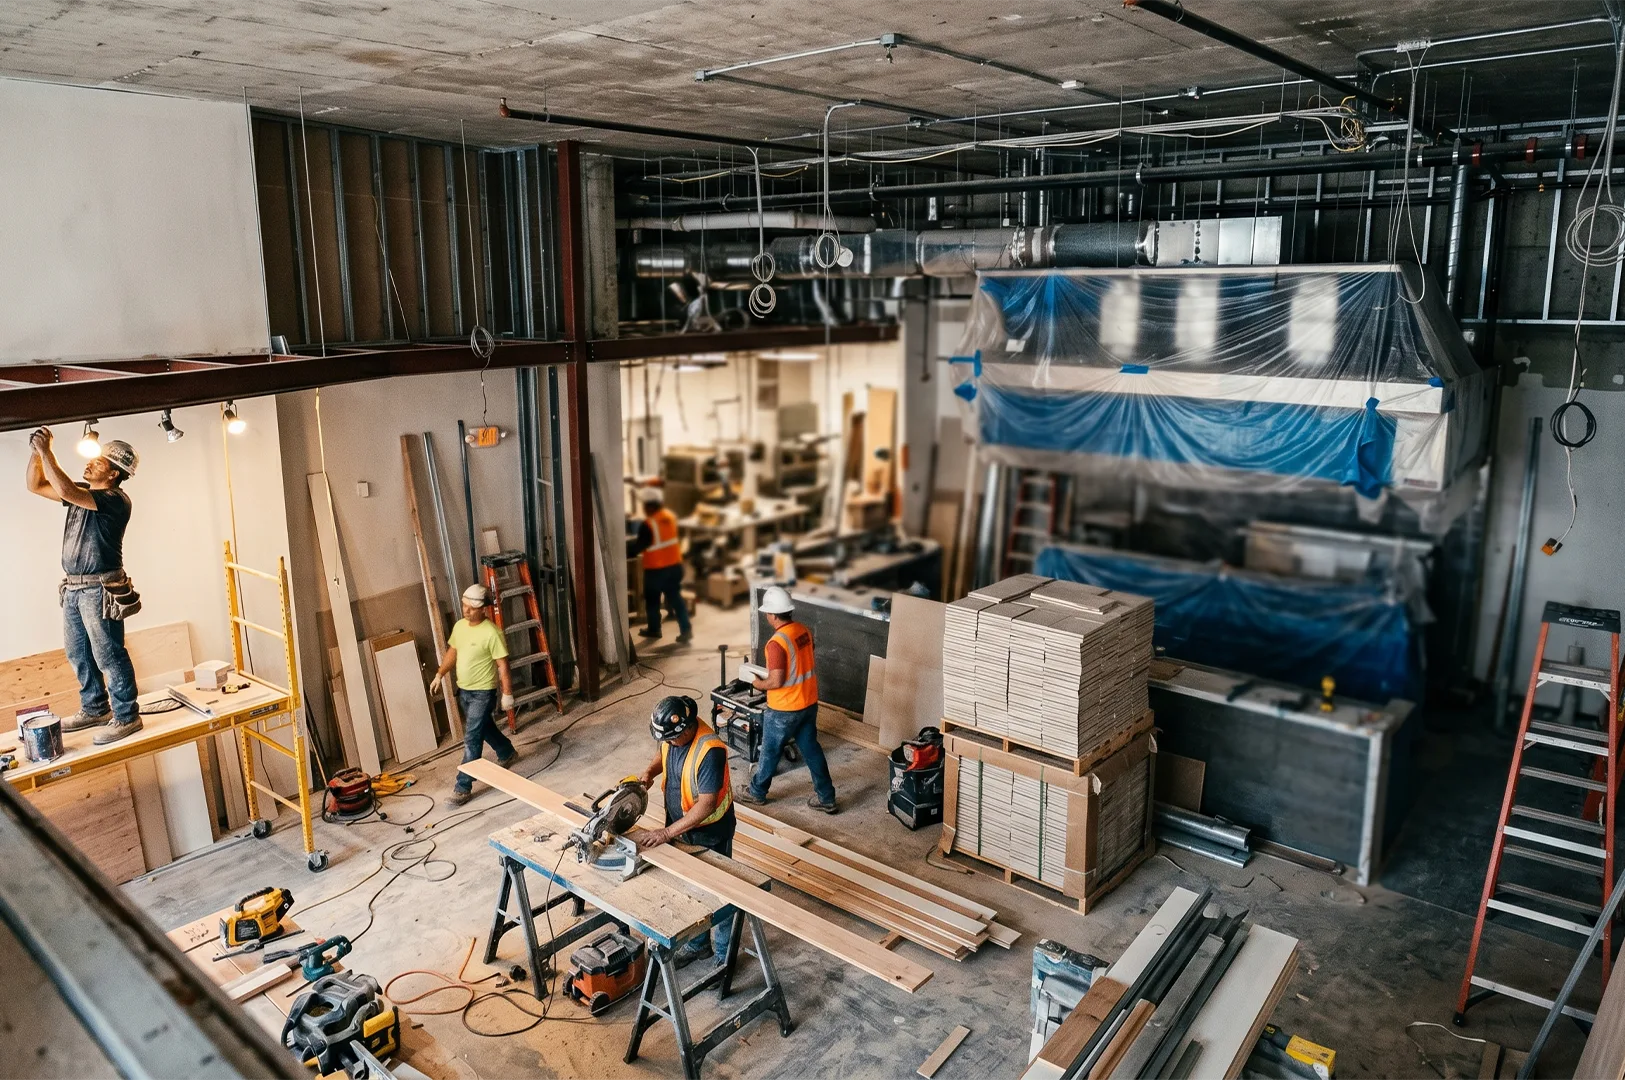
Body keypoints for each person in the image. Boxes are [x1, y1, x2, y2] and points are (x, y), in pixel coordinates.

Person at [25, 427, 144, 745]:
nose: (90, 464)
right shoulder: (81, 494)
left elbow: (63, 487)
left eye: (100, 463)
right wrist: (37, 454)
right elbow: (35, 484)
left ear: (115, 473)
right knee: (77, 652)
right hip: (75, 588)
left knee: (108, 653)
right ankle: (95, 708)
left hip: (100, 588)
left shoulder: (115, 500)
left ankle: (127, 716)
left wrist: (47, 451)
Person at [636, 695, 737, 968]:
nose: (667, 743)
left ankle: (725, 956)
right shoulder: (672, 738)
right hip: (682, 828)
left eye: (671, 738)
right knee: (692, 890)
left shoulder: (710, 751)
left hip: (711, 833)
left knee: (721, 895)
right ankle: (698, 945)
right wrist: (648, 773)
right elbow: (663, 755)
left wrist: (667, 833)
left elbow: (705, 805)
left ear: (688, 728)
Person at [734, 586, 837, 813]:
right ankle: (827, 797)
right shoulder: (803, 631)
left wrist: (757, 683)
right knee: (811, 750)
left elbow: (776, 680)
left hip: (784, 710)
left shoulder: (776, 643)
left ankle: (757, 792)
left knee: (769, 752)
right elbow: (799, 663)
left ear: (771, 615)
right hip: (808, 703)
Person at [431, 584, 518, 805]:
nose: (466, 611)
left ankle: (463, 786)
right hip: (465, 692)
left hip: (483, 693)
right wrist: (440, 674)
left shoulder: (492, 633)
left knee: (472, 738)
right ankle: (506, 751)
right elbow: (453, 652)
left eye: (471, 608)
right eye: (464, 606)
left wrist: (507, 694)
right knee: (483, 727)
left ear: (483, 609)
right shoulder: (460, 627)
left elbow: (503, 666)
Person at [627, 488, 691, 645]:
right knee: (675, 598)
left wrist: (624, 550)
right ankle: (686, 629)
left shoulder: (648, 524)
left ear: (650, 506)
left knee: (653, 601)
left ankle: (655, 629)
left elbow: (638, 547)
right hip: (674, 566)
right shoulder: (669, 517)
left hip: (657, 570)